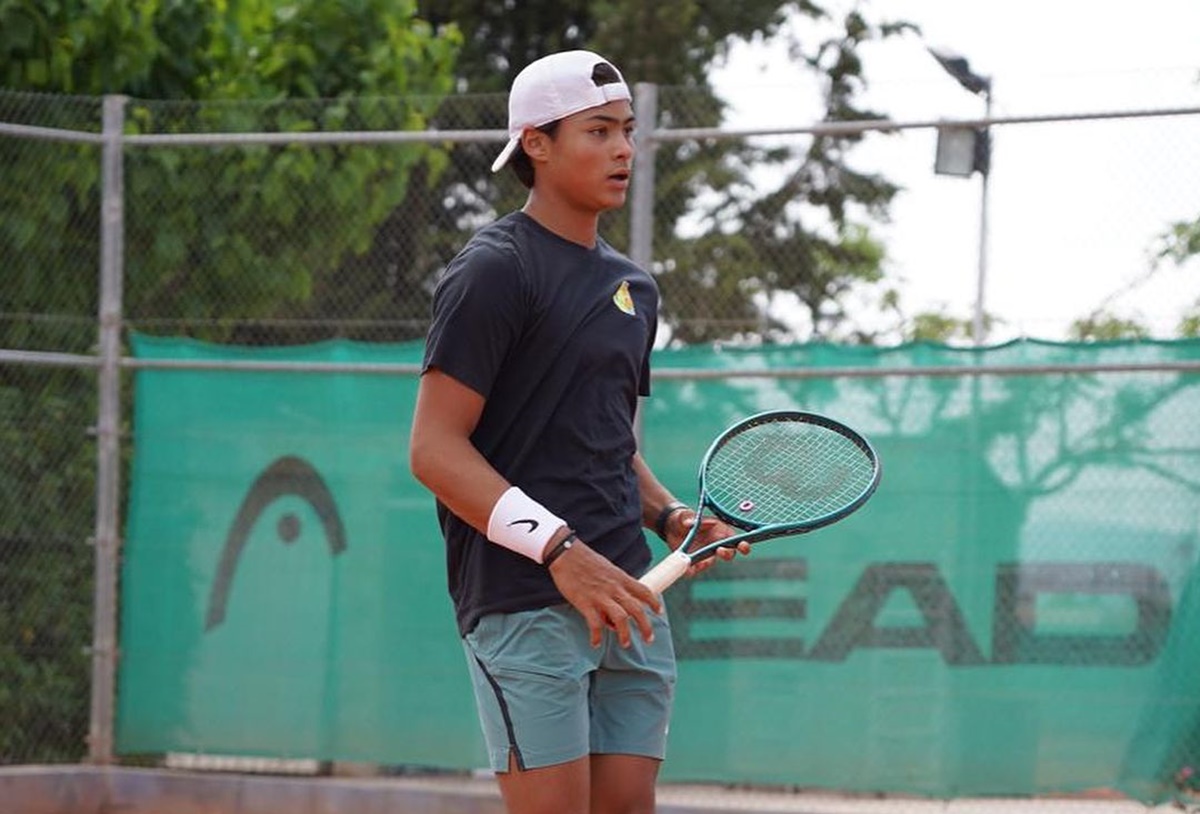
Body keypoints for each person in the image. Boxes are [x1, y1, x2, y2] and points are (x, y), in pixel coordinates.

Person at [409, 49, 748, 814]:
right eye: (598, 131)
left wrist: (669, 516)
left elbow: (606, 440)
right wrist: (560, 552)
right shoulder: (492, 271)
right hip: (523, 598)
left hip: (629, 597)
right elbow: (433, 450)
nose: (624, 149)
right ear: (536, 142)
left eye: (627, 131)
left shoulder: (635, 288)